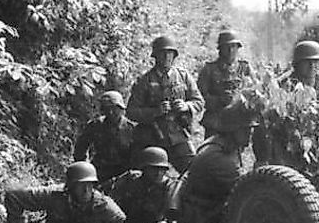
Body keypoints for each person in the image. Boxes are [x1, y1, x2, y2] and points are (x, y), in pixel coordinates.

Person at [178, 100, 259, 223]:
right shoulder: (217, 157)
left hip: (209, 209)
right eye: (246, 130)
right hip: (202, 216)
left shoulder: (225, 146)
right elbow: (245, 188)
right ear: (233, 130)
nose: (250, 135)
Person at [126, 35, 205, 174]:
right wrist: (155, 111)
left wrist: (187, 106)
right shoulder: (144, 81)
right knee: (142, 176)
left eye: (170, 53)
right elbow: (131, 111)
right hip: (152, 137)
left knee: (193, 173)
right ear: (155, 56)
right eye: (163, 53)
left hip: (178, 136)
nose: (167, 57)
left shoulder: (183, 76)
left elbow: (199, 101)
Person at [253, 40, 319, 165]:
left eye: (316, 62)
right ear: (297, 64)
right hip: (284, 140)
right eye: (307, 62)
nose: (312, 66)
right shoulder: (284, 84)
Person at [197, 30, 252, 136]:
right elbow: (199, 97)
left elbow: (255, 91)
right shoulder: (209, 69)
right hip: (216, 122)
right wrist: (219, 100)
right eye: (227, 47)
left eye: (234, 46)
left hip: (238, 123)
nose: (231, 50)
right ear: (220, 49)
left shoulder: (245, 68)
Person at [73, 90, 136, 182]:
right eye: (107, 109)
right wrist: (85, 168)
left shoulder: (132, 129)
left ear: (121, 109)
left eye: (114, 109)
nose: (110, 112)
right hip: (100, 172)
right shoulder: (95, 125)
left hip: (124, 175)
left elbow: (138, 156)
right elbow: (80, 148)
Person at [108, 146, 175, 223]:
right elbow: (110, 204)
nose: (158, 173)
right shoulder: (129, 180)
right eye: (153, 169)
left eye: (162, 169)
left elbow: (172, 220)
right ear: (144, 168)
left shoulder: (171, 187)